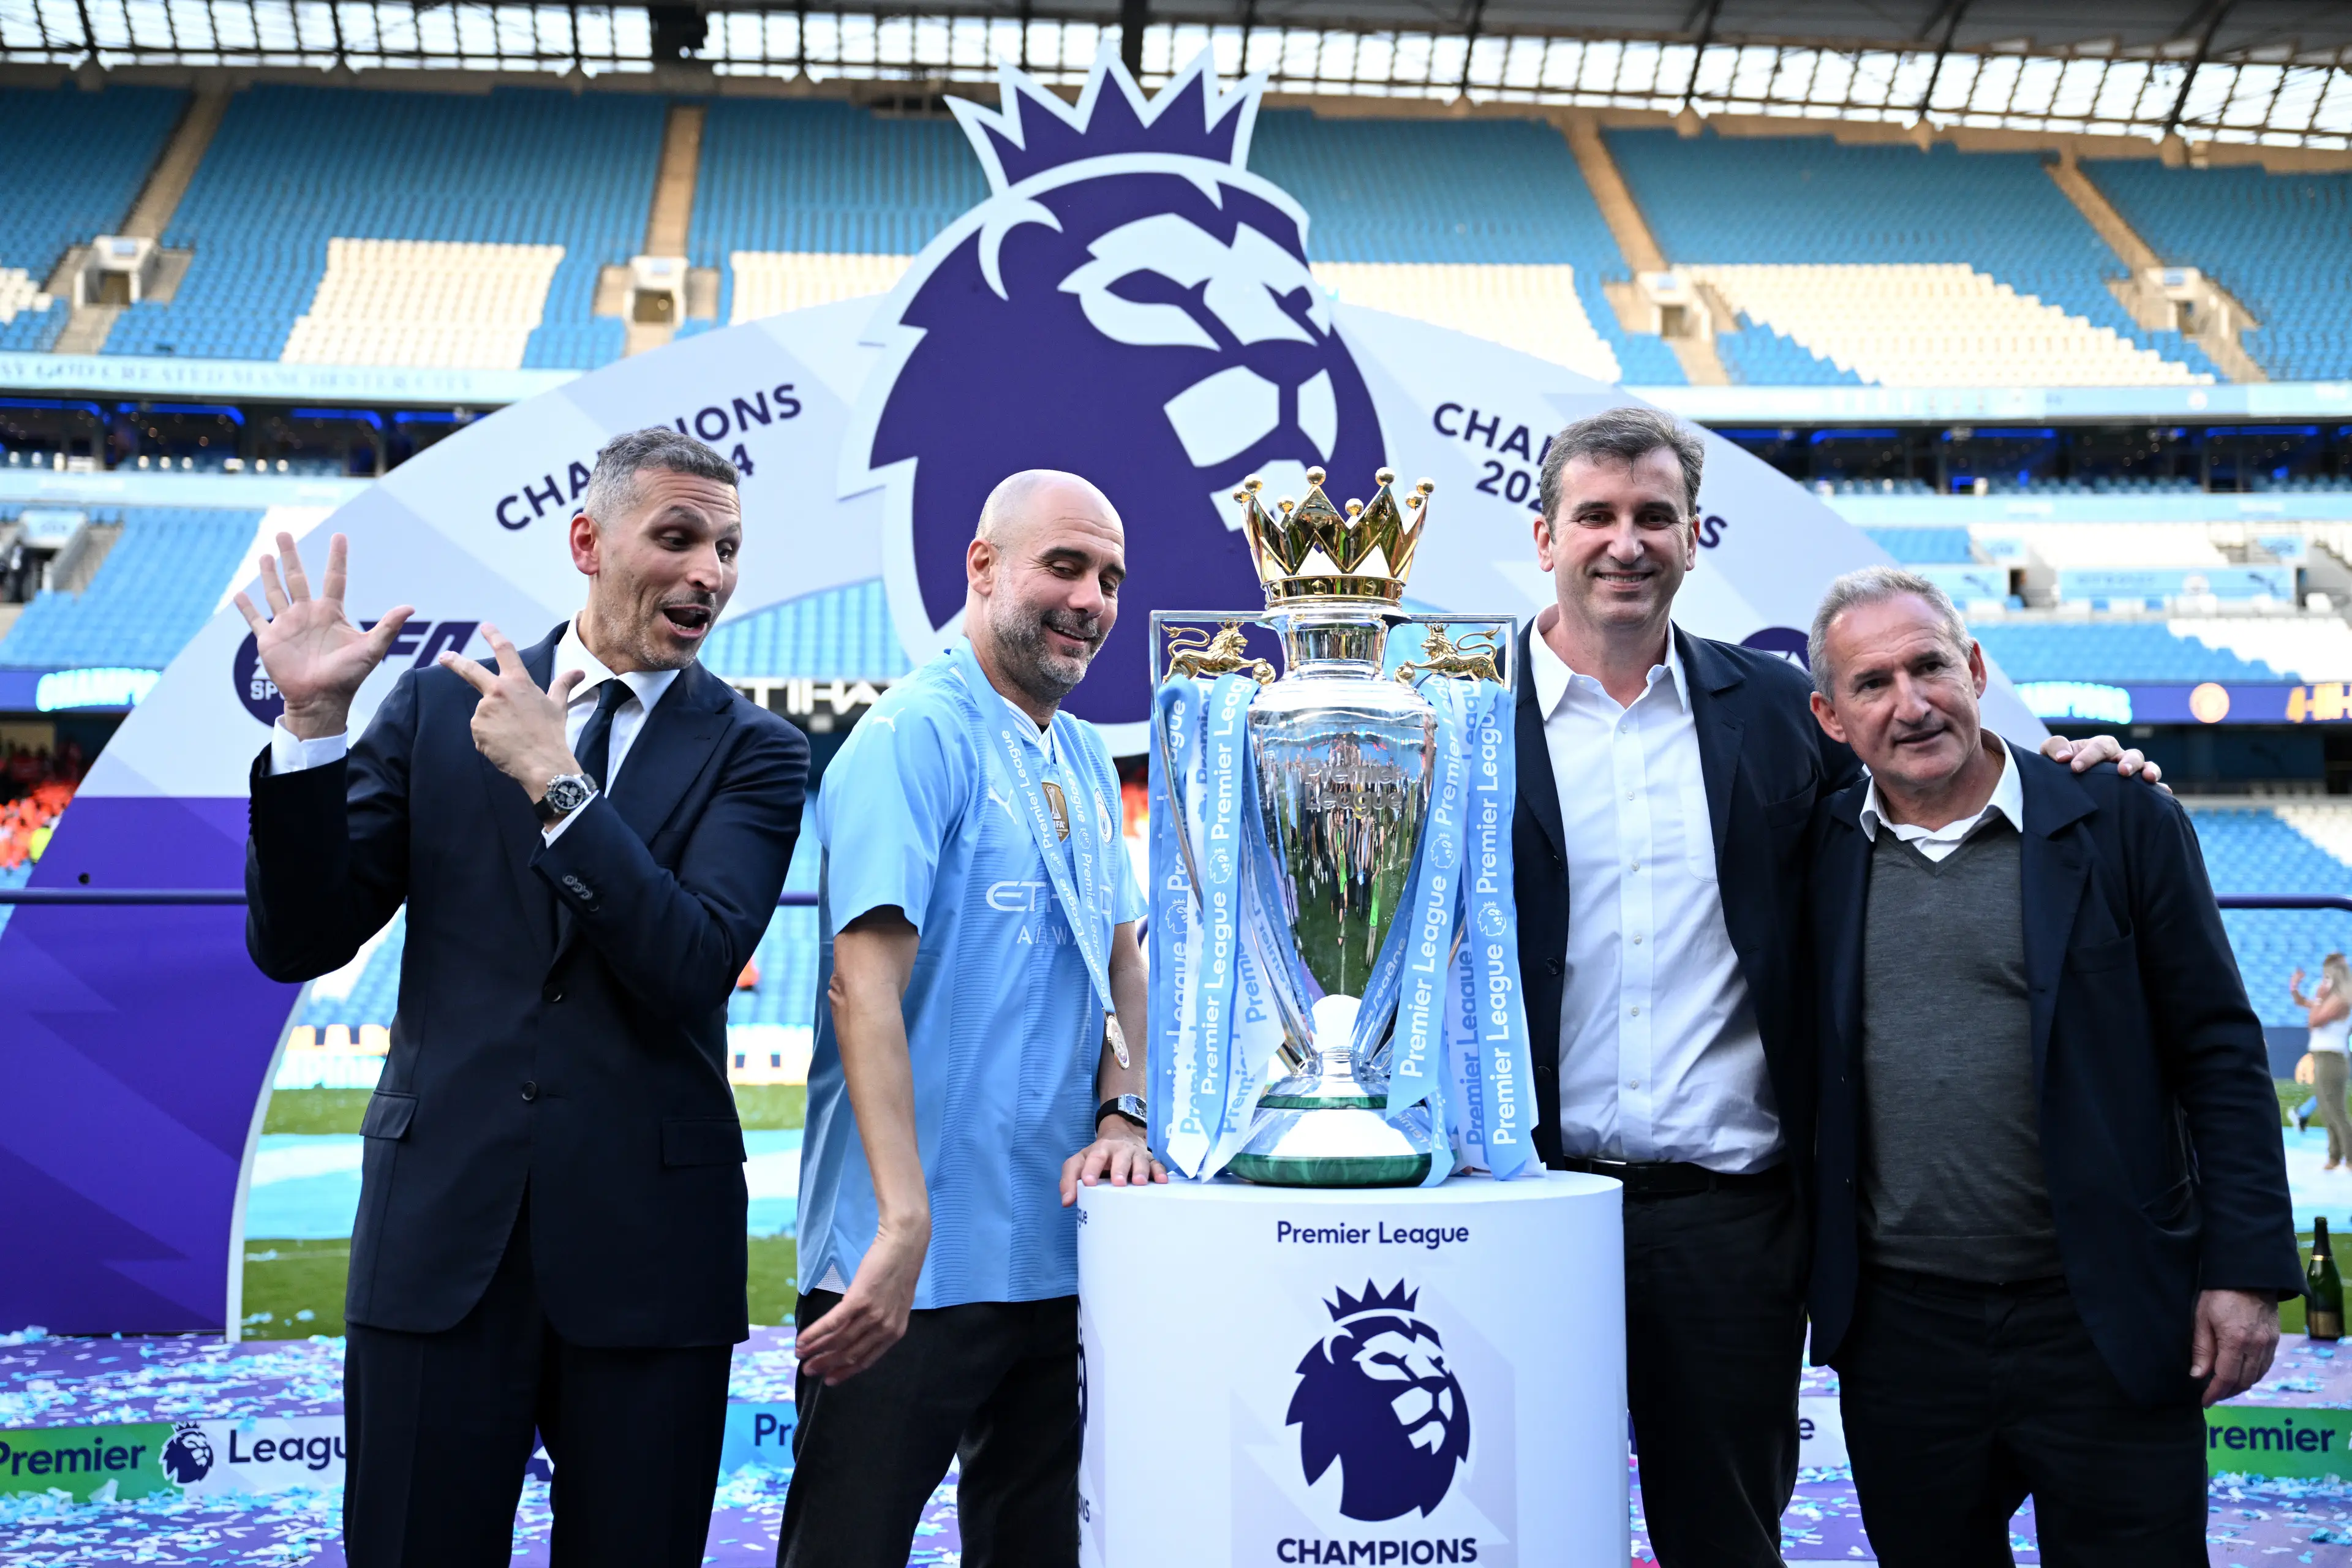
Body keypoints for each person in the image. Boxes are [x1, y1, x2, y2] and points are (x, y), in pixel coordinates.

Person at [1508, 407, 2160, 1568]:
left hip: (1730, 1220)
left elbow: (1929, 776)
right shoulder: (1462, 714)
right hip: (1523, 1205)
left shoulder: (1773, 710)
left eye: (1654, 516)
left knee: (1729, 1542)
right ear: (1543, 533)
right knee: (1511, 1522)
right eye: (1596, 515)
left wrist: (2082, 765)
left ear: (1694, 538)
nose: (1625, 542)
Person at [239, 427, 809, 1567]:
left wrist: (557, 783)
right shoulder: (434, 714)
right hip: (438, 1239)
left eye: (731, 548)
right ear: (588, 542)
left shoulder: (759, 752)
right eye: (681, 537)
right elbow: (296, 940)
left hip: (651, 1263)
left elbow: (691, 961)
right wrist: (309, 734)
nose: (711, 572)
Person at [1803, 565, 2299, 1567]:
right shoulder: (1808, 852)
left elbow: (2218, 1050)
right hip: (1904, 1336)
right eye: (1873, 684)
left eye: (1930, 665)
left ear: (1976, 667)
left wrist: (2247, 1273)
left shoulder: (2121, 819)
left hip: (2104, 1315)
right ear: (1830, 716)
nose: (1912, 704)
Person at [777, 469, 1163, 1568]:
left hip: (1055, 1247)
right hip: (908, 1264)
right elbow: (863, 985)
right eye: (1065, 565)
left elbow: (1122, 960)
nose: (1091, 597)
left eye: (1110, 577)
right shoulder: (912, 736)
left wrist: (1124, 1115)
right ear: (982, 568)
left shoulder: (1085, 754)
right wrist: (902, 1226)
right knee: (845, 1550)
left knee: (1034, 1549)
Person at [2292, 955, 2352, 1164]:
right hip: (2323, 1056)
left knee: (2336, 1110)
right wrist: (2295, 988)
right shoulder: (2331, 997)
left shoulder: (2342, 998)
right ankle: (2334, 1156)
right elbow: (2303, 1003)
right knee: (2328, 1110)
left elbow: (2315, 1021)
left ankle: (2349, 1157)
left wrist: (2318, 999)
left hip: (2331, 1057)